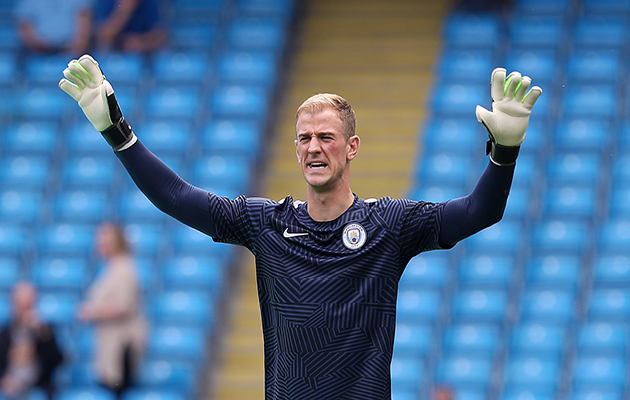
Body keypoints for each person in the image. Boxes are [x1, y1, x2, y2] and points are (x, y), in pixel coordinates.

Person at [59, 55, 541, 399]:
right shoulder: (265, 223)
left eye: (326, 137)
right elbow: (178, 197)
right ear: (294, 149)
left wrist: (505, 152)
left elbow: (481, 211)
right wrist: (117, 132)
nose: (314, 147)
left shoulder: (390, 224)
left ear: (351, 147)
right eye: (305, 138)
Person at [77, 222, 147, 398]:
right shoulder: (112, 268)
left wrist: (92, 311)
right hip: (111, 342)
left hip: (122, 343)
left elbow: (124, 306)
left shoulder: (124, 269)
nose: (99, 244)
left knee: (118, 389)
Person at [0, 282, 64, 400]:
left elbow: (57, 359)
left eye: (28, 305)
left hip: (37, 385)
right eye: (20, 305)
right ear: (13, 305)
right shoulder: (4, 334)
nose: (24, 310)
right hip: (8, 383)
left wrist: (43, 334)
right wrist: (4, 379)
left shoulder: (45, 331)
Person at [14, 0, 93, 54]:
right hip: (37, 50)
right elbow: (24, 24)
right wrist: (38, 45)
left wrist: (76, 46)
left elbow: (84, 18)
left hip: (72, 49)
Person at [94, 0, 166, 52]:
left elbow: (161, 36)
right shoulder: (106, 2)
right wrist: (125, 8)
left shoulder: (149, 3)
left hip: (144, 57)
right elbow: (103, 35)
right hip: (113, 52)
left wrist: (140, 43)